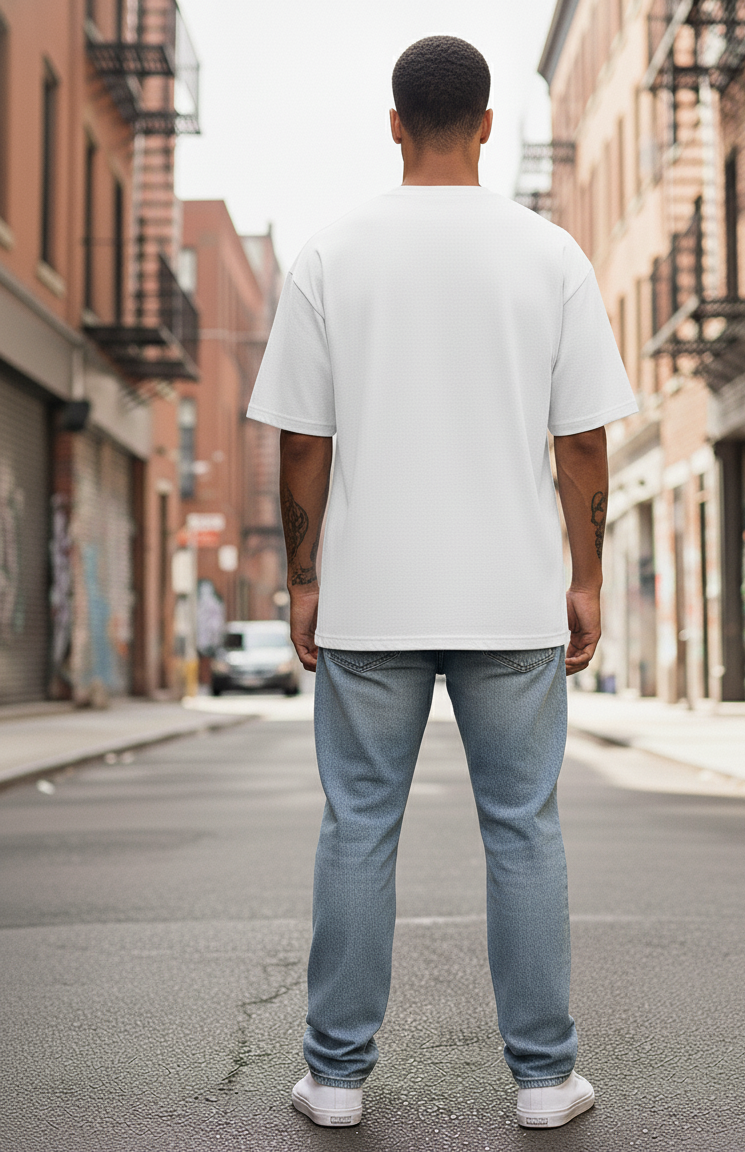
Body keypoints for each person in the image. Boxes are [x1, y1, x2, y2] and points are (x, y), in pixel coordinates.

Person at [247, 34, 637, 1131]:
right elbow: (583, 446)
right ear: (485, 126)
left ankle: (333, 1079)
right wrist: (588, 577)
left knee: (357, 827)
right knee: (522, 828)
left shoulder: (329, 255)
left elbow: (300, 446)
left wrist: (304, 579)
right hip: (511, 594)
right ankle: (544, 1078)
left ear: (390, 123)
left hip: (369, 597)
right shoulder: (548, 255)